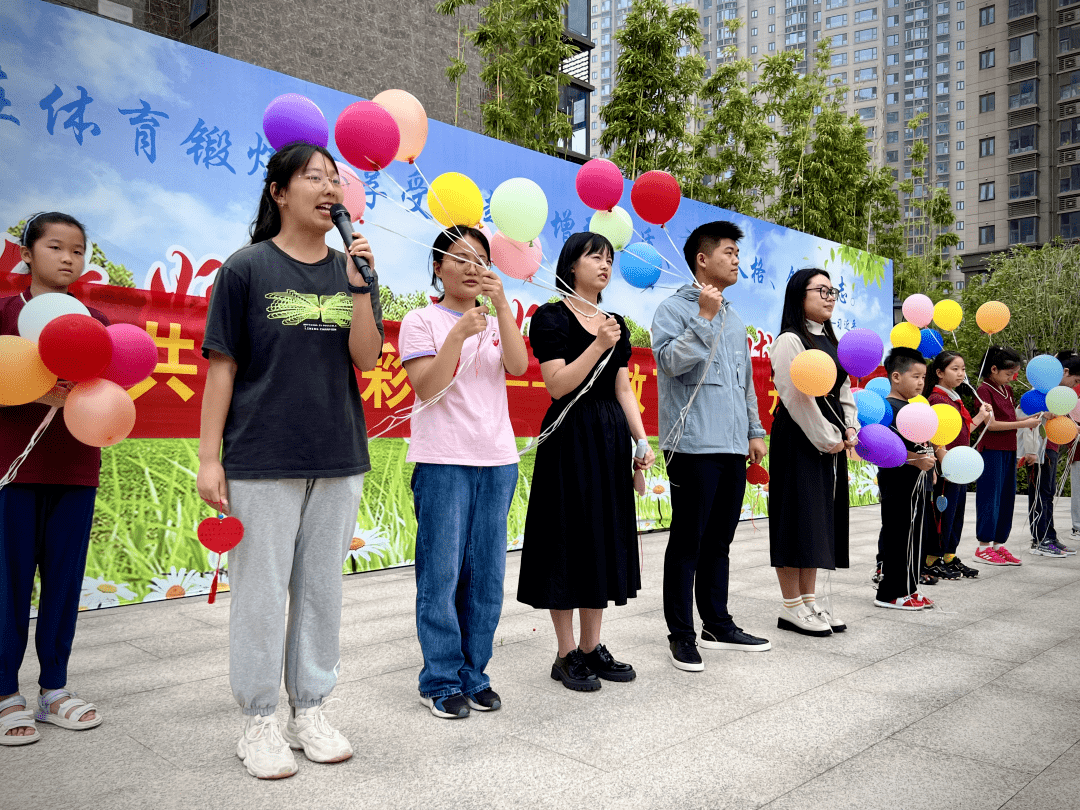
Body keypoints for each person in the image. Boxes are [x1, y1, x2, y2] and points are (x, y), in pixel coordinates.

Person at [198, 142, 384, 779]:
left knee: (320, 592)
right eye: (314, 177)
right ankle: (257, 719)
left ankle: (311, 708)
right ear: (278, 192)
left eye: (335, 179)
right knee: (259, 593)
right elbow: (222, 368)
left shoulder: (351, 268)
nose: (330, 189)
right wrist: (208, 459)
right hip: (261, 456)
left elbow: (365, 358)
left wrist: (360, 282)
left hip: (338, 454)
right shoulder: (246, 269)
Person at [399, 226, 527, 719]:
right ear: (438, 267)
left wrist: (501, 311)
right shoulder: (421, 320)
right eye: (460, 258)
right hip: (443, 460)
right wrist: (456, 333)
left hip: (497, 461)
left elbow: (517, 367)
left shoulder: (497, 318)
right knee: (441, 574)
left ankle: (476, 674)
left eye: (481, 260)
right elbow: (426, 388)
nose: (473, 268)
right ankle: (440, 678)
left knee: (486, 578)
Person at [518, 231, 654, 692]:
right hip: (569, 437)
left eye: (609, 258)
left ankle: (593, 648)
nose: (604, 265)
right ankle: (564, 653)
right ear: (571, 265)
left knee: (600, 537)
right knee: (565, 538)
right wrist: (596, 343)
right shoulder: (550, 317)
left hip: (609, 437)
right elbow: (557, 385)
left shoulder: (615, 321)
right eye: (594, 257)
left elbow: (621, 388)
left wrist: (640, 440)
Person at [1, 212, 107, 746]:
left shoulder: (96, 322)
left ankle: (54, 691)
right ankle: (4, 694)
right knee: (8, 585)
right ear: (27, 255)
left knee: (62, 588)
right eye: (55, 247)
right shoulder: (3, 314)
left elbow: (110, 391)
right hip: (12, 473)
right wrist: (35, 388)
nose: (68, 258)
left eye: (78, 250)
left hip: (75, 469)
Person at [651, 221, 770, 673]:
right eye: (728, 252)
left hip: (732, 445)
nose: (737, 259)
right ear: (702, 260)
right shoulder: (673, 310)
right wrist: (701, 316)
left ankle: (717, 624)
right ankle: (680, 634)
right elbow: (670, 364)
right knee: (688, 540)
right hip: (692, 443)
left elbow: (745, 383)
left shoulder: (736, 318)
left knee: (719, 539)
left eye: (737, 252)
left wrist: (755, 432)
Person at [768, 269, 860, 637]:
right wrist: (829, 438)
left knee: (818, 521)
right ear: (798, 295)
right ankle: (791, 606)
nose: (829, 296)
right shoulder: (790, 340)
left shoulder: (832, 342)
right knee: (795, 518)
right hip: (800, 439)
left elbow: (845, 390)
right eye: (821, 290)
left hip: (831, 440)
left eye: (833, 290)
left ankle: (809, 601)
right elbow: (796, 397)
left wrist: (850, 428)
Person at [874, 348, 937, 611]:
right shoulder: (887, 408)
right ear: (896, 377)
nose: (921, 382)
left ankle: (909, 588)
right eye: (916, 376)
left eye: (923, 376)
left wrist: (929, 467)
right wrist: (916, 460)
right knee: (898, 536)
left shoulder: (913, 408)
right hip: (897, 484)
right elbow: (882, 448)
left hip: (917, 483)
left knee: (915, 536)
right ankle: (890, 592)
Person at [924, 351, 994, 580]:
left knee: (956, 513)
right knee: (943, 513)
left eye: (963, 369)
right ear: (939, 373)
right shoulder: (937, 399)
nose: (961, 373)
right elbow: (937, 437)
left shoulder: (953, 397)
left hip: (958, 466)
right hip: (948, 467)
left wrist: (981, 416)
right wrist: (946, 465)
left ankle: (949, 556)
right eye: (955, 369)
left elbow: (962, 432)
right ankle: (932, 559)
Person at [973, 346, 1042, 566]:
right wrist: (1024, 423)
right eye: (1008, 373)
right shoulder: (983, 390)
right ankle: (983, 546)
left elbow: (1010, 418)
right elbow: (990, 425)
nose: (1012, 377)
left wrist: (1031, 418)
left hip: (1008, 449)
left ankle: (998, 544)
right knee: (989, 497)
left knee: (1006, 498)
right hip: (991, 450)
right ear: (993, 369)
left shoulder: (1007, 390)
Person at [1018, 355, 1080, 557]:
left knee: (1048, 492)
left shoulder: (1058, 395)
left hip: (1051, 445)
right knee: (1039, 493)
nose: (1074, 386)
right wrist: (1043, 413)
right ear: (1065, 372)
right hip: (1037, 449)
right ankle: (1039, 539)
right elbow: (1021, 413)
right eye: (1076, 381)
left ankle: (1050, 535)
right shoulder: (1038, 393)